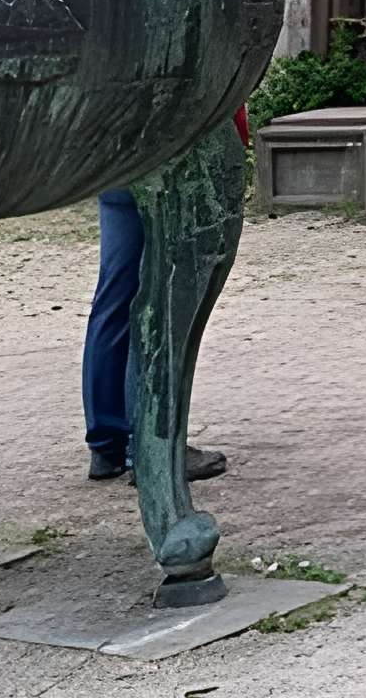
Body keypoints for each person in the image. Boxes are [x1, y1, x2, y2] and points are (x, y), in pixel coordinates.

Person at [83, 109, 246, 483]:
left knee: (115, 295)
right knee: (159, 301)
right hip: (167, 148)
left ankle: (107, 444)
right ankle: (147, 446)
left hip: (115, 146)